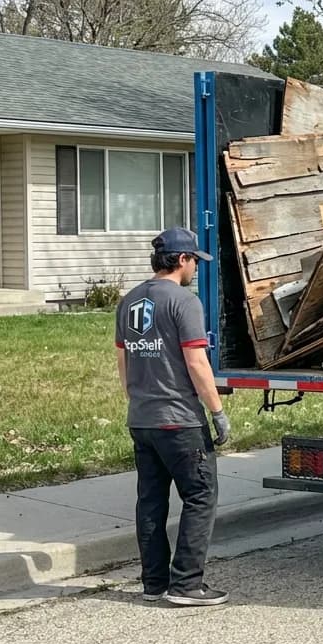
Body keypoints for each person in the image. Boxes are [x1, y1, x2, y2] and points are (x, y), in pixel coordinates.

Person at [115, 227, 232, 607]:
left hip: (142, 418)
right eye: (194, 260)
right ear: (181, 259)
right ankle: (186, 584)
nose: (196, 268)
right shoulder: (184, 302)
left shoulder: (129, 301)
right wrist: (217, 412)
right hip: (180, 420)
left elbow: (123, 360)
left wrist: (137, 400)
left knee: (150, 501)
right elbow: (196, 363)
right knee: (200, 496)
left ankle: (154, 583)